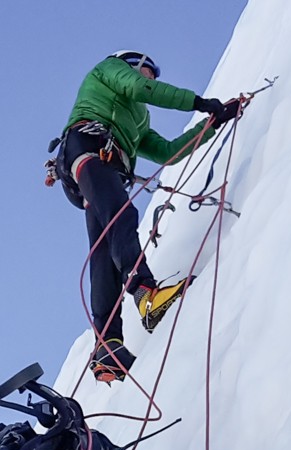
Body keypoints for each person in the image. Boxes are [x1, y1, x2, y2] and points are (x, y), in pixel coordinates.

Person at [53, 51, 240, 381]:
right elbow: (140, 89)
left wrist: (213, 124)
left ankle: (107, 345)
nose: (150, 78)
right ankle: (145, 294)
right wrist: (200, 103)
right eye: (147, 71)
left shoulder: (138, 121)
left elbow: (168, 153)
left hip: (102, 166)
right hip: (89, 148)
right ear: (132, 66)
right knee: (122, 216)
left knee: (103, 253)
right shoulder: (109, 70)